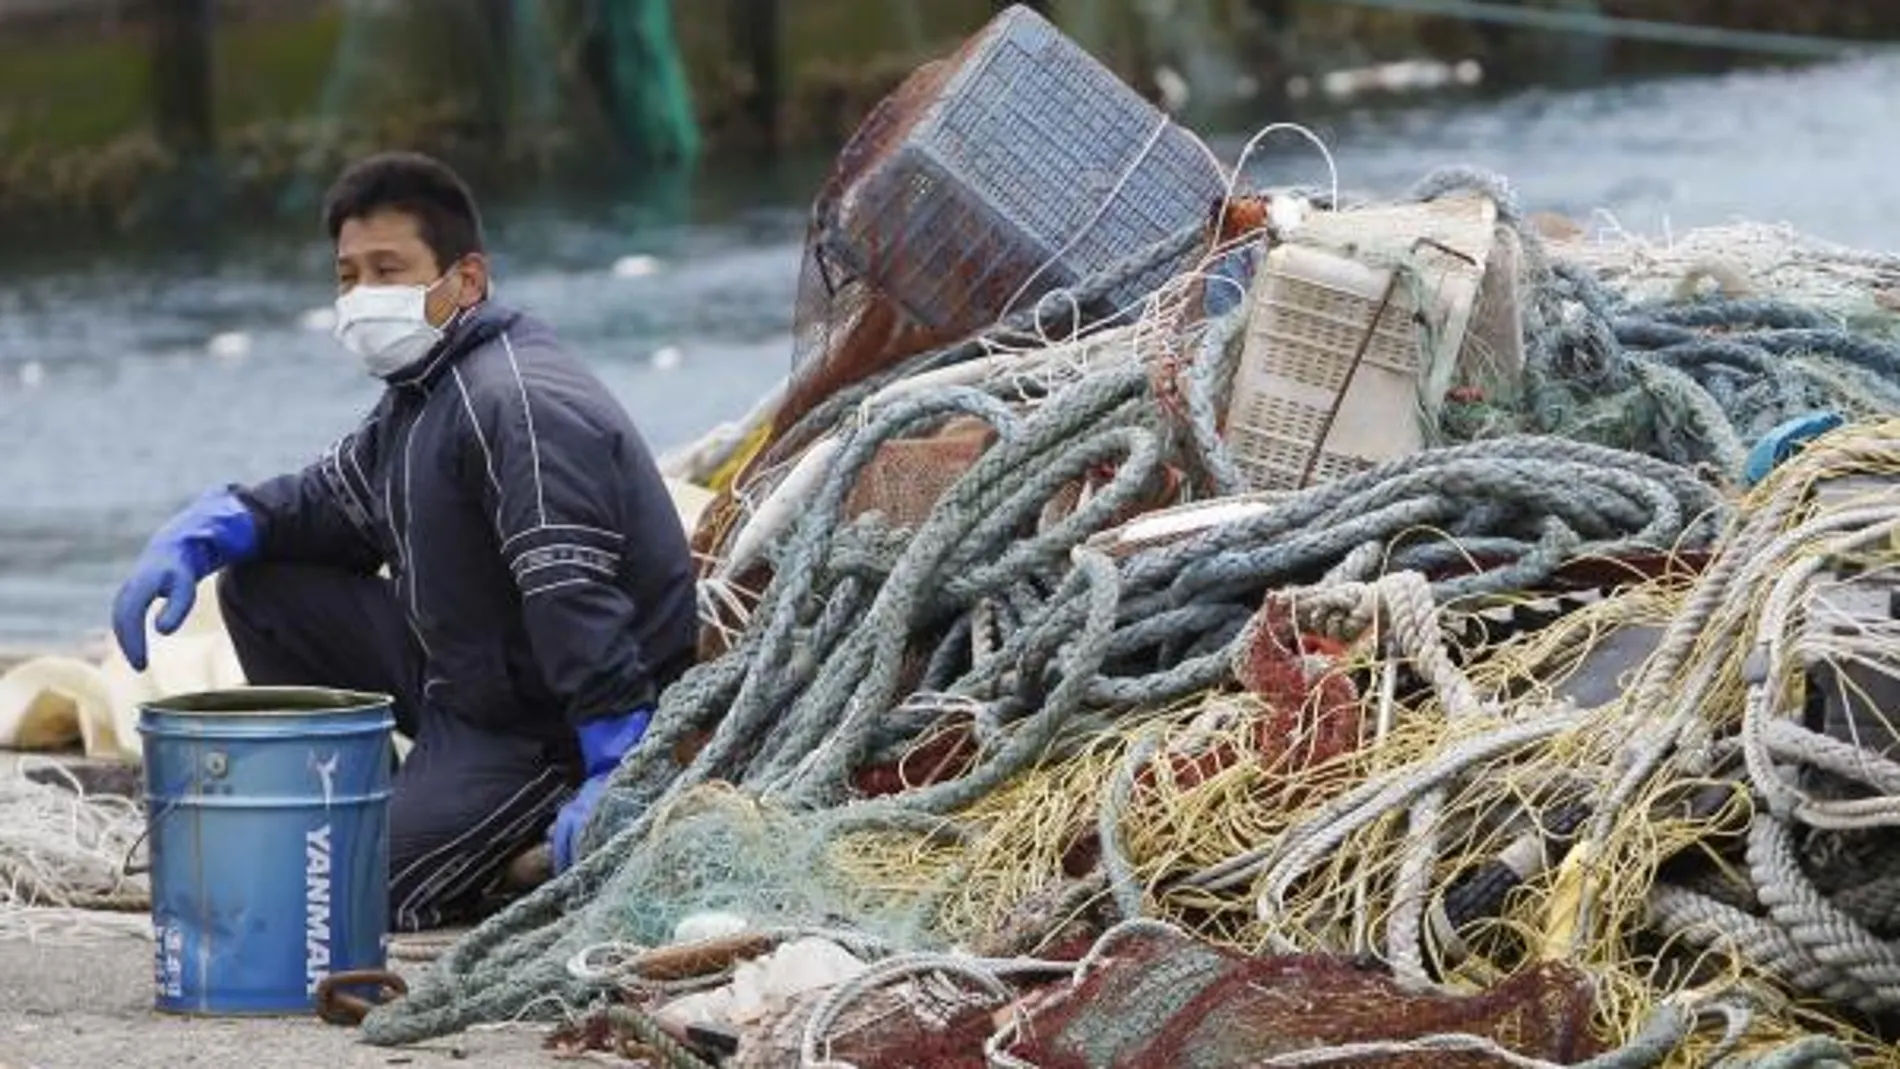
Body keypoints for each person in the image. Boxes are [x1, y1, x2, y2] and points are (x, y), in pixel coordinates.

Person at [109, 151, 698, 930]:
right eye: (348, 276)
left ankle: (501, 826)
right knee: (262, 585)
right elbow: (325, 505)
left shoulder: (517, 404)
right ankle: (386, 800)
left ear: (467, 281)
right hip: (467, 681)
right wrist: (211, 528)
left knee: (326, 898)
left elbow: (573, 594)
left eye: (389, 269)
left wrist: (618, 762)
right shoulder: (420, 397)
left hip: (543, 725)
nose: (362, 297)